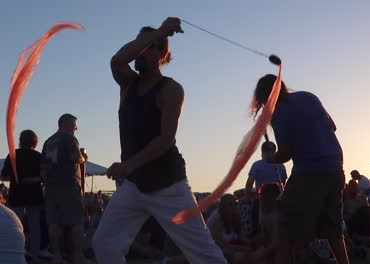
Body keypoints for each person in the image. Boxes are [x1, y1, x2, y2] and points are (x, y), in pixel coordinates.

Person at [92, 17, 226, 264]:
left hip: (169, 185)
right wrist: (159, 32)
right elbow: (117, 60)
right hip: (134, 185)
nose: (139, 52)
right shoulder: (127, 83)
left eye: (147, 46)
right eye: (138, 44)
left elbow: (166, 139)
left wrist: (128, 166)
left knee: (204, 254)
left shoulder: (171, 89)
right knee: (104, 245)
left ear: (162, 51)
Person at [251, 74, 349, 264]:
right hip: (336, 168)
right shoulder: (308, 96)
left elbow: (285, 154)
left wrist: (272, 159)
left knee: (285, 230)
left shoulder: (278, 112)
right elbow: (333, 127)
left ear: (265, 96)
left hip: (309, 174)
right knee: (333, 230)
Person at [41, 113, 89, 264]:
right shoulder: (69, 138)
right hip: (69, 185)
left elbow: (42, 168)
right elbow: (76, 157)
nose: (76, 128)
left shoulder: (48, 141)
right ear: (65, 123)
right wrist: (83, 157)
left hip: (51, 187)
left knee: (54, 223)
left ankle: (57, 256)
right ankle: (78, 256)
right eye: (74, 124)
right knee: (76, 222)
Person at [1, 130, 45, 260]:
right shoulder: (39, 156)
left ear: (21, 141)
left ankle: (19, 247)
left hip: (17, 193)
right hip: (34, 194)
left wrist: (17, 178)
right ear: (35, 142)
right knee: (34, 225)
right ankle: (34, 252)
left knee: (16, 224)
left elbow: (4, 175)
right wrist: (33, 180)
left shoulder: (13, 155)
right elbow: (45, 176)